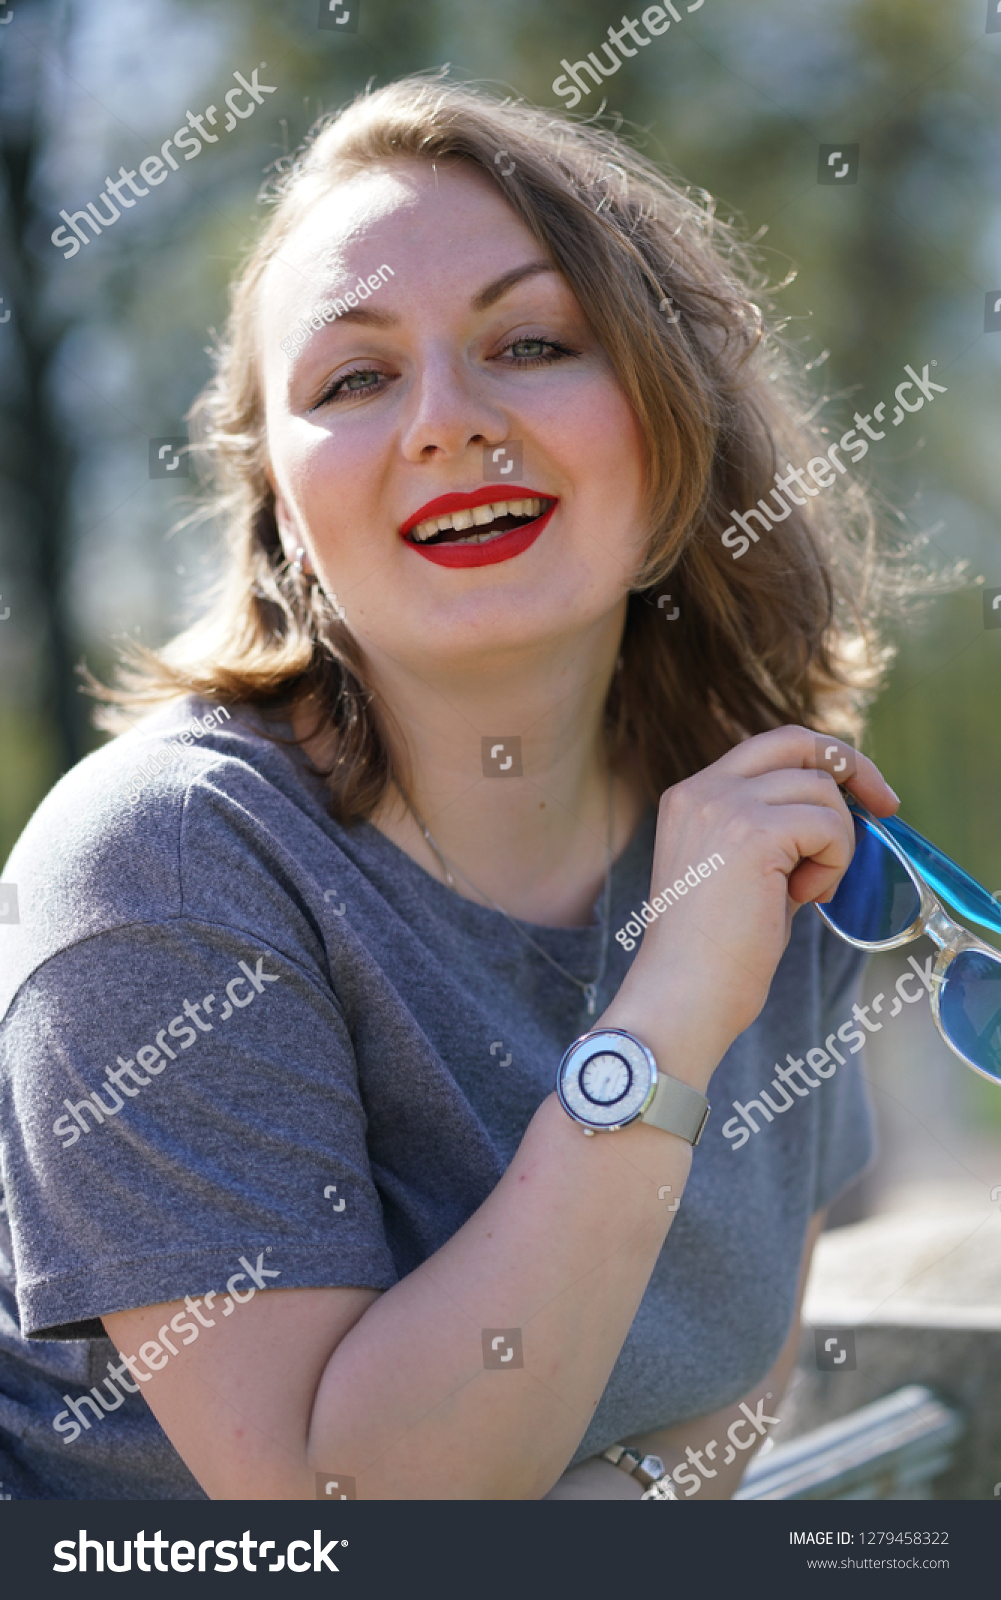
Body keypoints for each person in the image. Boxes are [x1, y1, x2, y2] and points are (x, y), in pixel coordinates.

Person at [0, 74, 902, 1501]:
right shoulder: (163, 863)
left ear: (673, 437)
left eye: (531, 341)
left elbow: (724, 1403)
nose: (440, 419)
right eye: (353, 378)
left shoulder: (763, 844)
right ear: (279, 513)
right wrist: (665, 1014)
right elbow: (336, 1513)